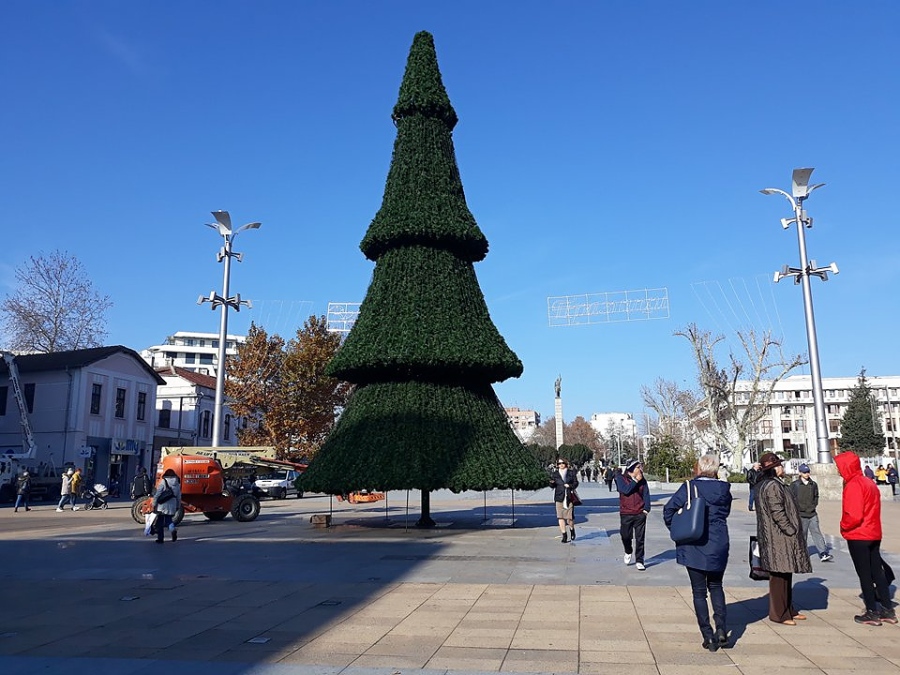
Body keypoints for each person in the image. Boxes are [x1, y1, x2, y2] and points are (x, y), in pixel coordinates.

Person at [663, 453, 733, 651]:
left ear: (700, 468)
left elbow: (669, 510)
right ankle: (721, 629)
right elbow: (725, 513)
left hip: (694, 543)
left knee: (699, 592)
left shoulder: (690, 487)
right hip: (718, 542)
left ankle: (707, 635)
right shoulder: (724, 489)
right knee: (716, 586)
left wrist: (678, 530)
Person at [834, 450, 896, 625]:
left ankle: (871, 611)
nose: (838, 471)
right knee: (877, 571)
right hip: (873, 532)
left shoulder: (853, 485)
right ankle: (887, 608)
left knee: (865, 574)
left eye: (839, 467)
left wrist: (843, 526)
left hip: (859, 534)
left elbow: (853, 515)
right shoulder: (868, 482)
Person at [755, 452, 812, 625]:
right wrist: (790, 529)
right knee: (779, 577)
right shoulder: (771, 485)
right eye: (779, 465)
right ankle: (779, 613)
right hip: (777, 537)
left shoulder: (775, 483)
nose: (782, 467)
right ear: (773, 469)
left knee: (786, 574)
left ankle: (788, 609)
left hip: (780, 536)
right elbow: (777, 511)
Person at [790, 464, 833, 563]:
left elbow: (816, 496)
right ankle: (801, 554)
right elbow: (790, 498)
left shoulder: (813, 484)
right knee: (802, 535)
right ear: (800, 473)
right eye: (804, 472)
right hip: (801, 514)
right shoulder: (795, 485)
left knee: (817, 533)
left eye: (808, 472)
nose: (807, 474)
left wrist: (814, 505)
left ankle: (823, 553)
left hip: (812, 514)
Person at [616, 459, 650, 571]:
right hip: (626, 512)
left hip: (639, 513)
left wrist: (646, 509)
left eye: (641, 467)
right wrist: (635, 481)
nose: (640, 469)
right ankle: (628, 550)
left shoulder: (642, 480)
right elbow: (625, 490)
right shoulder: (621, 478)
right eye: (638, 467)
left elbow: (646, 494)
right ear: (631, 469)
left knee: (640, 538)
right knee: (625, 535)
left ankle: (640, 560)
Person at [549, 458, 578, 543]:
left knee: (570, 518)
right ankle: (564, 534)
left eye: (562, 463)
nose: (561, 465)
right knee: (560, 516)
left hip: (568, 497)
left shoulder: (571, 473)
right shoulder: (555, 474)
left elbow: (576, 483)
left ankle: (572, 529)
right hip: (559, 497)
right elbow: (553, 485)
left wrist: (569, 486)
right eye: (559, 463)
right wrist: (551, 483)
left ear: (566, 464)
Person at [152, 468, 182, 544]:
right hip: (172, 504)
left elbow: (158, 494)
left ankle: (160, 539)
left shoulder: (164, 482)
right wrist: (178, 506)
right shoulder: (177, 484)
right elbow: (179, 496)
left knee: (160, 522)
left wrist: (154, 504)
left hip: (163, 505)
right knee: (169, 520)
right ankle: (173, 530)